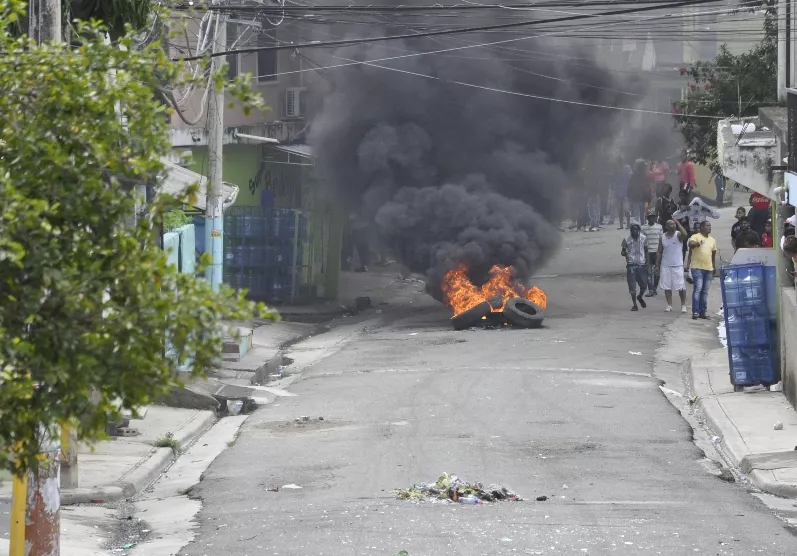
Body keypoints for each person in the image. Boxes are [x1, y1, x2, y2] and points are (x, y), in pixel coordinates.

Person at [657, 218, 689, 313]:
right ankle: (669, 305)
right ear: (666, 226)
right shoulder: (662, 237)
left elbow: (685, 234)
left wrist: (678, 223)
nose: (673, 225)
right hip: (666, 265)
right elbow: (659, 251)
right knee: (667, 286)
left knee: (681, 286)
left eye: (674, 224)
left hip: (677, 265)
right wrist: (657, 265)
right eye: (671, 224)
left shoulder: (678, 235)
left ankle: (683, 305)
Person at [687, 221, 717, 320]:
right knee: (698, 289)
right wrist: (698, 243)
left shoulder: (712, 240)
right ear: (702, 227)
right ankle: (695, 312)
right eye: (708, 225)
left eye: (710, 225)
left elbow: (713, 255)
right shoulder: (696, 236)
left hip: (708, 268)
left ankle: (702, 312)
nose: (710, 227)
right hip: (697, 268)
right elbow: (691, 244)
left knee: (705, 291)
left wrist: (714, 266)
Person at [621, 222, 649, 311]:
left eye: (636, 229)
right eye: (632, 229)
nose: (634, 231)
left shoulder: (644, 238)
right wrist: (624, 253)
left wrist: (647, 263)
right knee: (632, 286)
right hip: (631, 264)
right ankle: (634, 305)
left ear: (639, 230)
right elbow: (622, 251)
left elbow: (646, 250)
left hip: (641, 263)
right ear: (630, 230)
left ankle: (640, 296)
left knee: (644, 285)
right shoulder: (626, 239)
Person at [641, 208, 663, 296]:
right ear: (647, 218)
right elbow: (642, 241)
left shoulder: (659, 227)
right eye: (650, 217)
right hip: (648, 252)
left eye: (653, 217)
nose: (651, 218)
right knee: (648, 272)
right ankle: (651, 289)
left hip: (657, 252)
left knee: (657, 271)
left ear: (655, 218)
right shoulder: (643, 228)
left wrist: (662, 251)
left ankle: (654, 288)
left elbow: (661, 240)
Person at [628, 159, 651, 225]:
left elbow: (648, 187)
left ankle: (639, 226)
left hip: (640, 197)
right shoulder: (641, 175)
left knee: (639, 214)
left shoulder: (636, 175)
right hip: (639, 197)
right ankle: (640, 226)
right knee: (640, 214)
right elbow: (631, 186)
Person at [615, 161, 632, 229]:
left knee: (625, 209)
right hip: (620, 191)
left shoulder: (626, 168)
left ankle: (626, 224)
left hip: (625, 191)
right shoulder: (618, 169)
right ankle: (623, 224)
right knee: (621, 209)